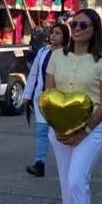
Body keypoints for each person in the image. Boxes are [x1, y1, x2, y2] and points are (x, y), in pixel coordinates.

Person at [43, 8, 102, 204]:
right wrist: (57, 126)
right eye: (74, 24)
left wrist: (83, 131)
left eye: (84, 25)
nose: (77, 28)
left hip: (91, 129)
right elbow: (49, 94)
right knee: (66, 184)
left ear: (94, 29)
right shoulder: (56, 56)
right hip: (60, 129)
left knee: (76, 181)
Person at [22, 23, 69, 177]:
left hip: (60, 99)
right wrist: (27, 95)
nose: (53, 35)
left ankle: (68, 163)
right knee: (42, 132)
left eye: (58, 33)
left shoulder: (68, 54)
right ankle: (39, 164)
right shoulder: (43, 51)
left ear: (65, 37)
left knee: (59, 134)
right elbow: (34, 74)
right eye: (52, 32)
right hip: (42, 97)